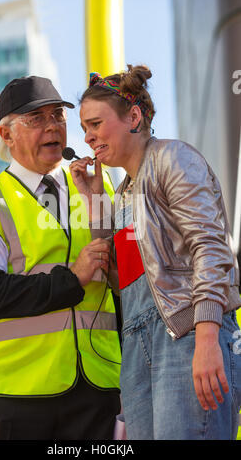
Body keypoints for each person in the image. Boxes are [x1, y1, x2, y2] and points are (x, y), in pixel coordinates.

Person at [70, 65, 241, 440]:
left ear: (133, 117)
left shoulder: (172, 158)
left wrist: (208, 338)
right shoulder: (123, 193)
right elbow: (122, 280)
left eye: (96, 124)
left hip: (187, 336)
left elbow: (210, 247)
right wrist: (96, 201)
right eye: (85, 128)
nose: (88, 137)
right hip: (138, 347)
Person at [0, 76, 121, 440]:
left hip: (100, 389)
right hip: (16, 397)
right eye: (36, 119)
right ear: (6, 134)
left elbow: (126, 285)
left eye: (58, 116)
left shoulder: (100, 187)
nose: (52, 127)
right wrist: (72, 279)